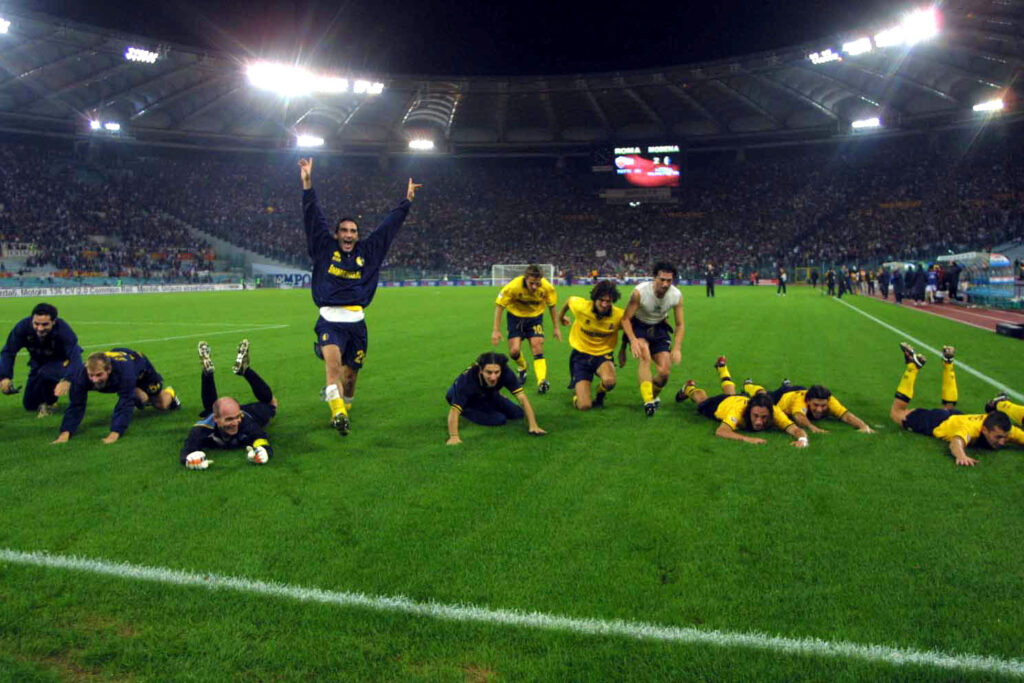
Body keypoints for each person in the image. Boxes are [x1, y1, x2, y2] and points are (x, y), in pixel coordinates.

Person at [299, 157, 421, 436]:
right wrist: (307, 183)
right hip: (329, 321)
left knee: (350, 376)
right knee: (333, 369)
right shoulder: (324, 248)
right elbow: (313, 216)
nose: (348, 235)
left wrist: (407, 202)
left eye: (353, 231)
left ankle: (346, 404)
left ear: (357, 235)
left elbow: (388, 228)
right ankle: (338, 414)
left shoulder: (368, 252)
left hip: (357, 323)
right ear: (336, 234)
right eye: (344, 230)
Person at [888, 342, 1023, 465]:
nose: (1002, 442)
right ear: (984, 430)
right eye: (998, 437)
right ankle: (912, 366)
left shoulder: (1008, 430)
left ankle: (948, 363)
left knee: (948, 409)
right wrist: (961, 456)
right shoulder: (971, 429)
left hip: (957, 417)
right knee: (896, 413)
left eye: (1005, 438)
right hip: (938, 421)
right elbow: (956, 443)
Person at [180, 340, 278, 470]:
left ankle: (238, 371)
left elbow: (261, 439)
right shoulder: (201, 429)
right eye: (229, 419)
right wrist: (190, 460)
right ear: (215, 419)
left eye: (237, 417)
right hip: (216, 413)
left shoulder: (245, 422)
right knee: (211, 409)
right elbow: (188, 450)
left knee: (271, 404)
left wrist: (263, 452)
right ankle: (236, 370)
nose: (235, 423)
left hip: (251, 412)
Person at [675, 356, 810, 447]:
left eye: (764, 417)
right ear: (749, 410)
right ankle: (689, 388)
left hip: (738, 398)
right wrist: (749, 439)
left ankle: (722, 369)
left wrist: (802, 440)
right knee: (702, 401)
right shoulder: (738, 411)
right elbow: (721, 431)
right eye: (755, 416)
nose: (759, 422)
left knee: (731, 393)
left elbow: (796, 430)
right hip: (720, 405)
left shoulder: (775, 411)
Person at [54, 348, 179, 444]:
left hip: (141, 367)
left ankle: (170, 393)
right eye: (91, 375)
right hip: (122, 370)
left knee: (160, 404)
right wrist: (65, 432)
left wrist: (115, 433)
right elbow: (76, 405)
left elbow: (125, 403)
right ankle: (140, 396)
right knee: (139, 398)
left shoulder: (124, 372)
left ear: (108, 369)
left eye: (99, 375)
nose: (94, 380)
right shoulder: (81, 375)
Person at [617, 262, 684, 416]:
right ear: (654, 278)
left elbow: (680, 324)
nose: (665, 284)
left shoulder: (676, 295)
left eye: (669, 280)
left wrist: (677, 348)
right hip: (639, 326)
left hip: (659, 327)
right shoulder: (640, 292)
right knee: (645, 356)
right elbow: (625, 319)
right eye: (662, 279)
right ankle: (648, 401)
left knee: (664, 372)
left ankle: (652, 396)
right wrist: (633, 340)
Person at [0, 302, 83, 417]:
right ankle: (43, 399)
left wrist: (68, 380)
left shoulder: (64, 331)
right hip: (38, 362)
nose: (40, 328)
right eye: (36, 324)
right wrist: (5, 376)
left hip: (62, 362)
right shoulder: (22, 327)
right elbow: (8, 351)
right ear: (32, 320)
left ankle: (49, 402)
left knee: (46, 372)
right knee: (30, 405)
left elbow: (75, 357)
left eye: (45, 324)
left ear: (54, 321)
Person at [445, 351, 545, 445]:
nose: (493, 377)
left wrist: (533, 425)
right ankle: (465, 410)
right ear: (481, 370)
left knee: (518, 414)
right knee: (499, 419)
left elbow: (522, 397)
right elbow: (454, 410)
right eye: (489, 372)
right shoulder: (467, 380)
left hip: (488, 393)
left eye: (497, 372)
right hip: (467, 399)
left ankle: (490, 401)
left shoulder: (506, 372)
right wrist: (454, 437)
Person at [490, 264, 563, 393]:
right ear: (525, 279)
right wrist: (496, 330)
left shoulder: (547, 287)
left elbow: (552, 306)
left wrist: (556, 328)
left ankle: (542, 381)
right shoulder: (513, 286)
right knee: (514, 351)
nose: (534, 287)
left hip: (535, 318)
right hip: (515, 318)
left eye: (537, 283)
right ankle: (523, 366)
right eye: (531, 283)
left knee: (537, 346)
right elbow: (500, 306)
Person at [558, 280, 625, 410]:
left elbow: (629, 328)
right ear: (595, 298)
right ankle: (578, 394)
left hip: (603, 355)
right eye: (601, 300)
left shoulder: (618, 316)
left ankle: (600, 395)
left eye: (608, 301)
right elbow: (569, 301)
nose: (605, 304)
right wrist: (561, 317)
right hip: (581, 356)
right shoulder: (582, 307)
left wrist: (623, 350)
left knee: (610, 382)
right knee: (584, 406)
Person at [740, 376, 874, 434]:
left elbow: (846, 415)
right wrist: (812, 427)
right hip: (783, 396)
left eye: (823, 406)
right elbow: (799, 416)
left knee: (790, 387)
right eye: (815, 405)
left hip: (800, 389)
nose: (819, 409)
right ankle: (749, 385)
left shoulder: (830, 400)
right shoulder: (800, 401)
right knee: (762, 395)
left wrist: (864, 426)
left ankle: (787, 384)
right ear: (808, 401)